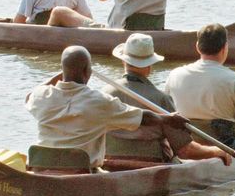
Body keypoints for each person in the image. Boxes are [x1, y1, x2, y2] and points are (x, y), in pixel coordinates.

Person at [25, 46, 190, 169]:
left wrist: (59, 75)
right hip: (81, 171)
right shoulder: (99, 101)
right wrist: (168, 118)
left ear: (62, 71)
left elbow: (29, 96)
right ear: (87, 72)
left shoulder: (41, 96)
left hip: (42, 167)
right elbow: (142, 117)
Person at [103, 33, 233, 166]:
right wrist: (217, 151)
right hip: (153, 166)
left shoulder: (105, 93)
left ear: (124, 61)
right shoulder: (161, 99)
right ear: (149, 66)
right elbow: (185, 150)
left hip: (110, 164)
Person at [166, 23, 235, 149]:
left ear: (198, 47)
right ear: (225, 48)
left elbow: (167, 117)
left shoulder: (174, 75)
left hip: (187, 145)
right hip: (226, 147)